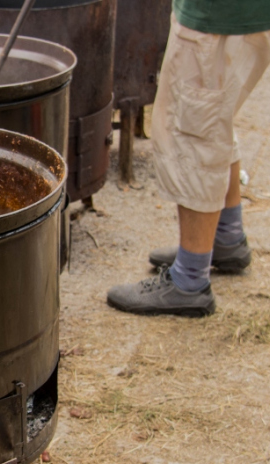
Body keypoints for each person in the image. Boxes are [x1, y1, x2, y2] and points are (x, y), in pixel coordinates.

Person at [107, 0, 270, 317]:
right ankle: (226, 236)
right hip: (240, 14)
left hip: (219, 16)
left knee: (195, 132)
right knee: (213, 118)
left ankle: (189, 282)